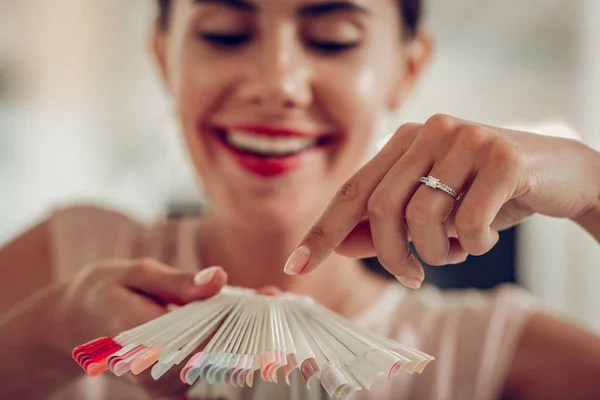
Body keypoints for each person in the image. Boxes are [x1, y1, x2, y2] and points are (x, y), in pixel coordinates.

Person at [1, 0, 599, 399]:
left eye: (333, 40)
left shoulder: (492, 353)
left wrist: (591, 185)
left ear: (406, 70)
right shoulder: (65, 264)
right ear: (164, 56)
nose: (276, 83)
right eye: (224, 34)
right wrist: (50, 337)